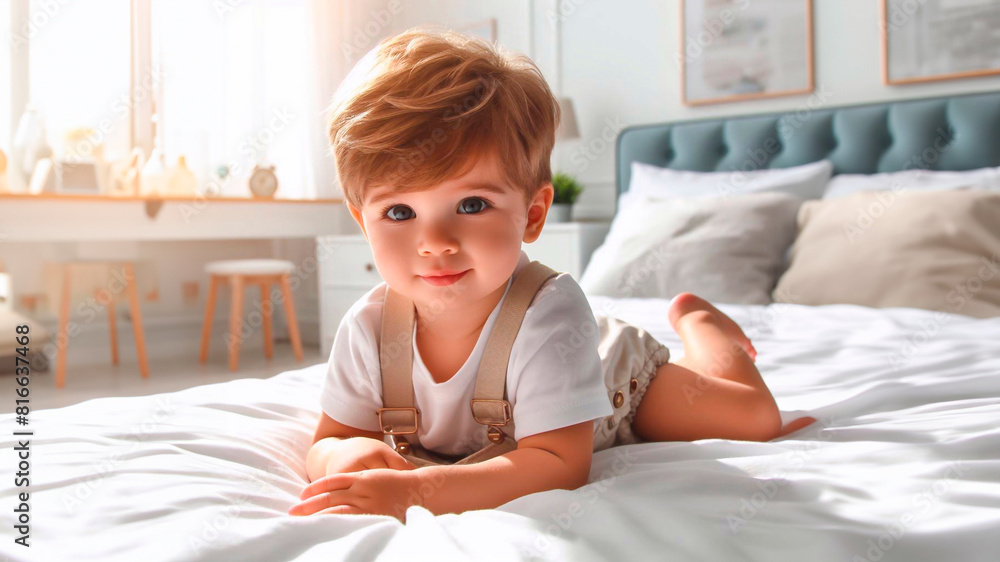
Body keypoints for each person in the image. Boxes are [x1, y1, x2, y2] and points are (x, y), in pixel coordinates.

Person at [288, 27, 816, 522]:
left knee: (755, 421)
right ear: (364, 222)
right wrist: (345, 455)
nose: (435, 243)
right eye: (400, 213)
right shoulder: (369, 327)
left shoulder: (552, 312)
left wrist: (415, 495)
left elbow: (558, 463)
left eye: (472, 204)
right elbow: (329, 438)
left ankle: (702, 325)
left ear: (534, 213)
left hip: (613, 379)